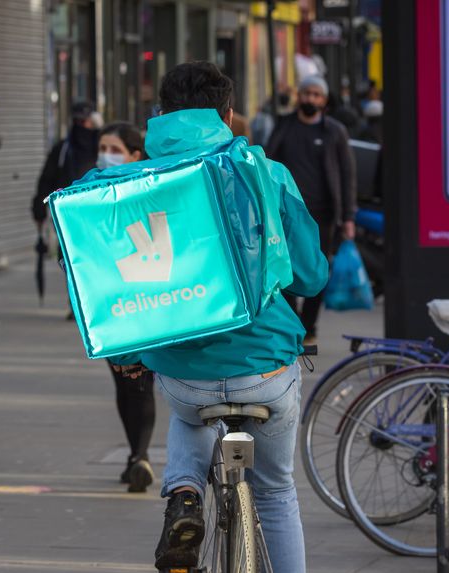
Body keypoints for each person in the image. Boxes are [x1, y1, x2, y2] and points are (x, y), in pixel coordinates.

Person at [110, 62, 328, 572]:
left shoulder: (135, 183)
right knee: (275, 492)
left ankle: (185, 492)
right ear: (228, 115)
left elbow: (116, 283)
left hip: (184, 369)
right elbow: (311, 278)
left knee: (189, 403)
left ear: (160, 114)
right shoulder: (266, 173)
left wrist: (126, 354)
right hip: (267, 368)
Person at [266, 74, 357, 345]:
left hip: (323, 215)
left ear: (324, 100)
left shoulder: (334, 132)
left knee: (318, 269)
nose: (311, 99)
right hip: (287, 214)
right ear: (299, 97)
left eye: (317, 95)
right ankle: (293, 321)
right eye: (307, 94)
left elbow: (347, 174)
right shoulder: (284, 127)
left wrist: (349, 216)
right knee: (285, 266)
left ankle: (310, 325)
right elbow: (267, 162)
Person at [94, 121, 157, 493]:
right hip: (110, 301)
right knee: (126, 379)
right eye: (102, 147)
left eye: (115, 149)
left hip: (143, 298)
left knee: (137, 379)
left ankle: (139, 454)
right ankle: (137, 455)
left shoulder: (148, 190)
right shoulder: (89, 190)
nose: (106, 154)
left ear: (136, 155)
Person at [31, 101, 100, 227]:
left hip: (97, 211)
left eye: (84, 121)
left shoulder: (102, 147)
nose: (82, 126)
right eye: (78, 121)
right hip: (66, 213)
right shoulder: (63, 149)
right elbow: (47, 178)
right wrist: (39, 208)